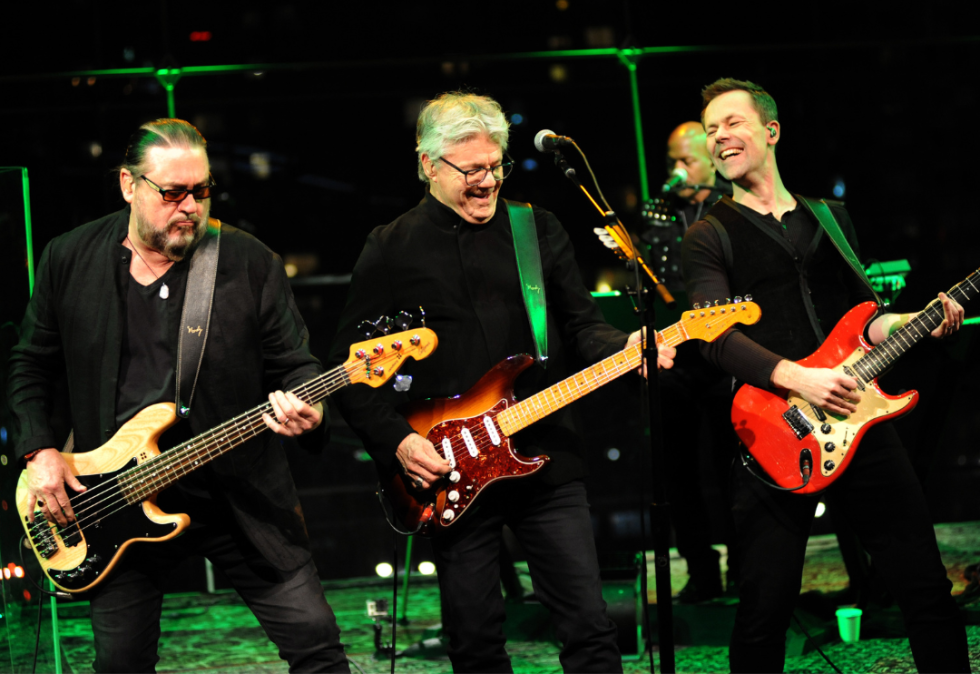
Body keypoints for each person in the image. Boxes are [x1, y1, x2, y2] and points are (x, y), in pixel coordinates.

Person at [328, 91, 674, 673]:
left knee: (590, 629)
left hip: (546, 455)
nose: (487, 181)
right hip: (450, 470)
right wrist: (400, 442)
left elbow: (582, 326)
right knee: (475, 643)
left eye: (496, 166)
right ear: (428, 165)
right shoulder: (389, 246)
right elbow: (348, 369)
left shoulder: (536, 228)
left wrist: (623, 348)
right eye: (471, 170)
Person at [7, 119, 350, 673]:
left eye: (202, 190)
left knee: (317, 645)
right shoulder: (68, 257)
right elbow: (29, 363)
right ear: (129, 185)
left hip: (236, 496)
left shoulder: (248, 260)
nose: (190, 207)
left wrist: (309, 411)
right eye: (172, 193)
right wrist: (39, 451)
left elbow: (295, 363)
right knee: (121, 664)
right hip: (112, 502)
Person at [681, 78, 968, 672]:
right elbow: (713, 339)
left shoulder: (829, 217)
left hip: (859, 417)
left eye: (732, 123)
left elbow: (865, 318)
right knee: (763, 611)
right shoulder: (708, 234)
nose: (720, 137)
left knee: (924, 586)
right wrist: (796, 378)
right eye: (711, 129)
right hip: (774, 431)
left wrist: (917, 319)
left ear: (771, 131)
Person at [643, 122, 737, 602]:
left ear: (711, 162)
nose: (677, 170)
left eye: (687, 160)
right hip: (675, 360)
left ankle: (744, 567)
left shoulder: (730, 206)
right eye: (672, 161)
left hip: (724, 357)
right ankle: (701, 572)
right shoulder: (658, 212)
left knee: (734, 467)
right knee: (678, 474)